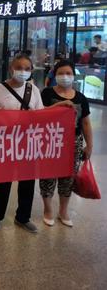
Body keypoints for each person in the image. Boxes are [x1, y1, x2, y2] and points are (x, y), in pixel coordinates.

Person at [0, 53, 45, 233]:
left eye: (27, 69)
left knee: (27, 182)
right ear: (10, 69)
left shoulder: (33, 90)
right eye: (19, 68)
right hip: (4, 143)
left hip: (27, 143)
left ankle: (23, 217)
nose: (22, 72)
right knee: (1, 181)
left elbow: (40, 115)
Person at [40, 60, 93, 227]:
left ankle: (63, 210)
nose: (65, 77)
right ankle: (47, 209)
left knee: (68, 177)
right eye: (61, 73)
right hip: (50, 140)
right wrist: (60, 104)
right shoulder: (47, 94)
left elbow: (85, 123)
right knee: (48, 176)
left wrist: (89, 145)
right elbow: (39, 114)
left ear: (73, 75)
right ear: (55, 75)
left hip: (73, 142)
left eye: (69, 73)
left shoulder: (81, 98)